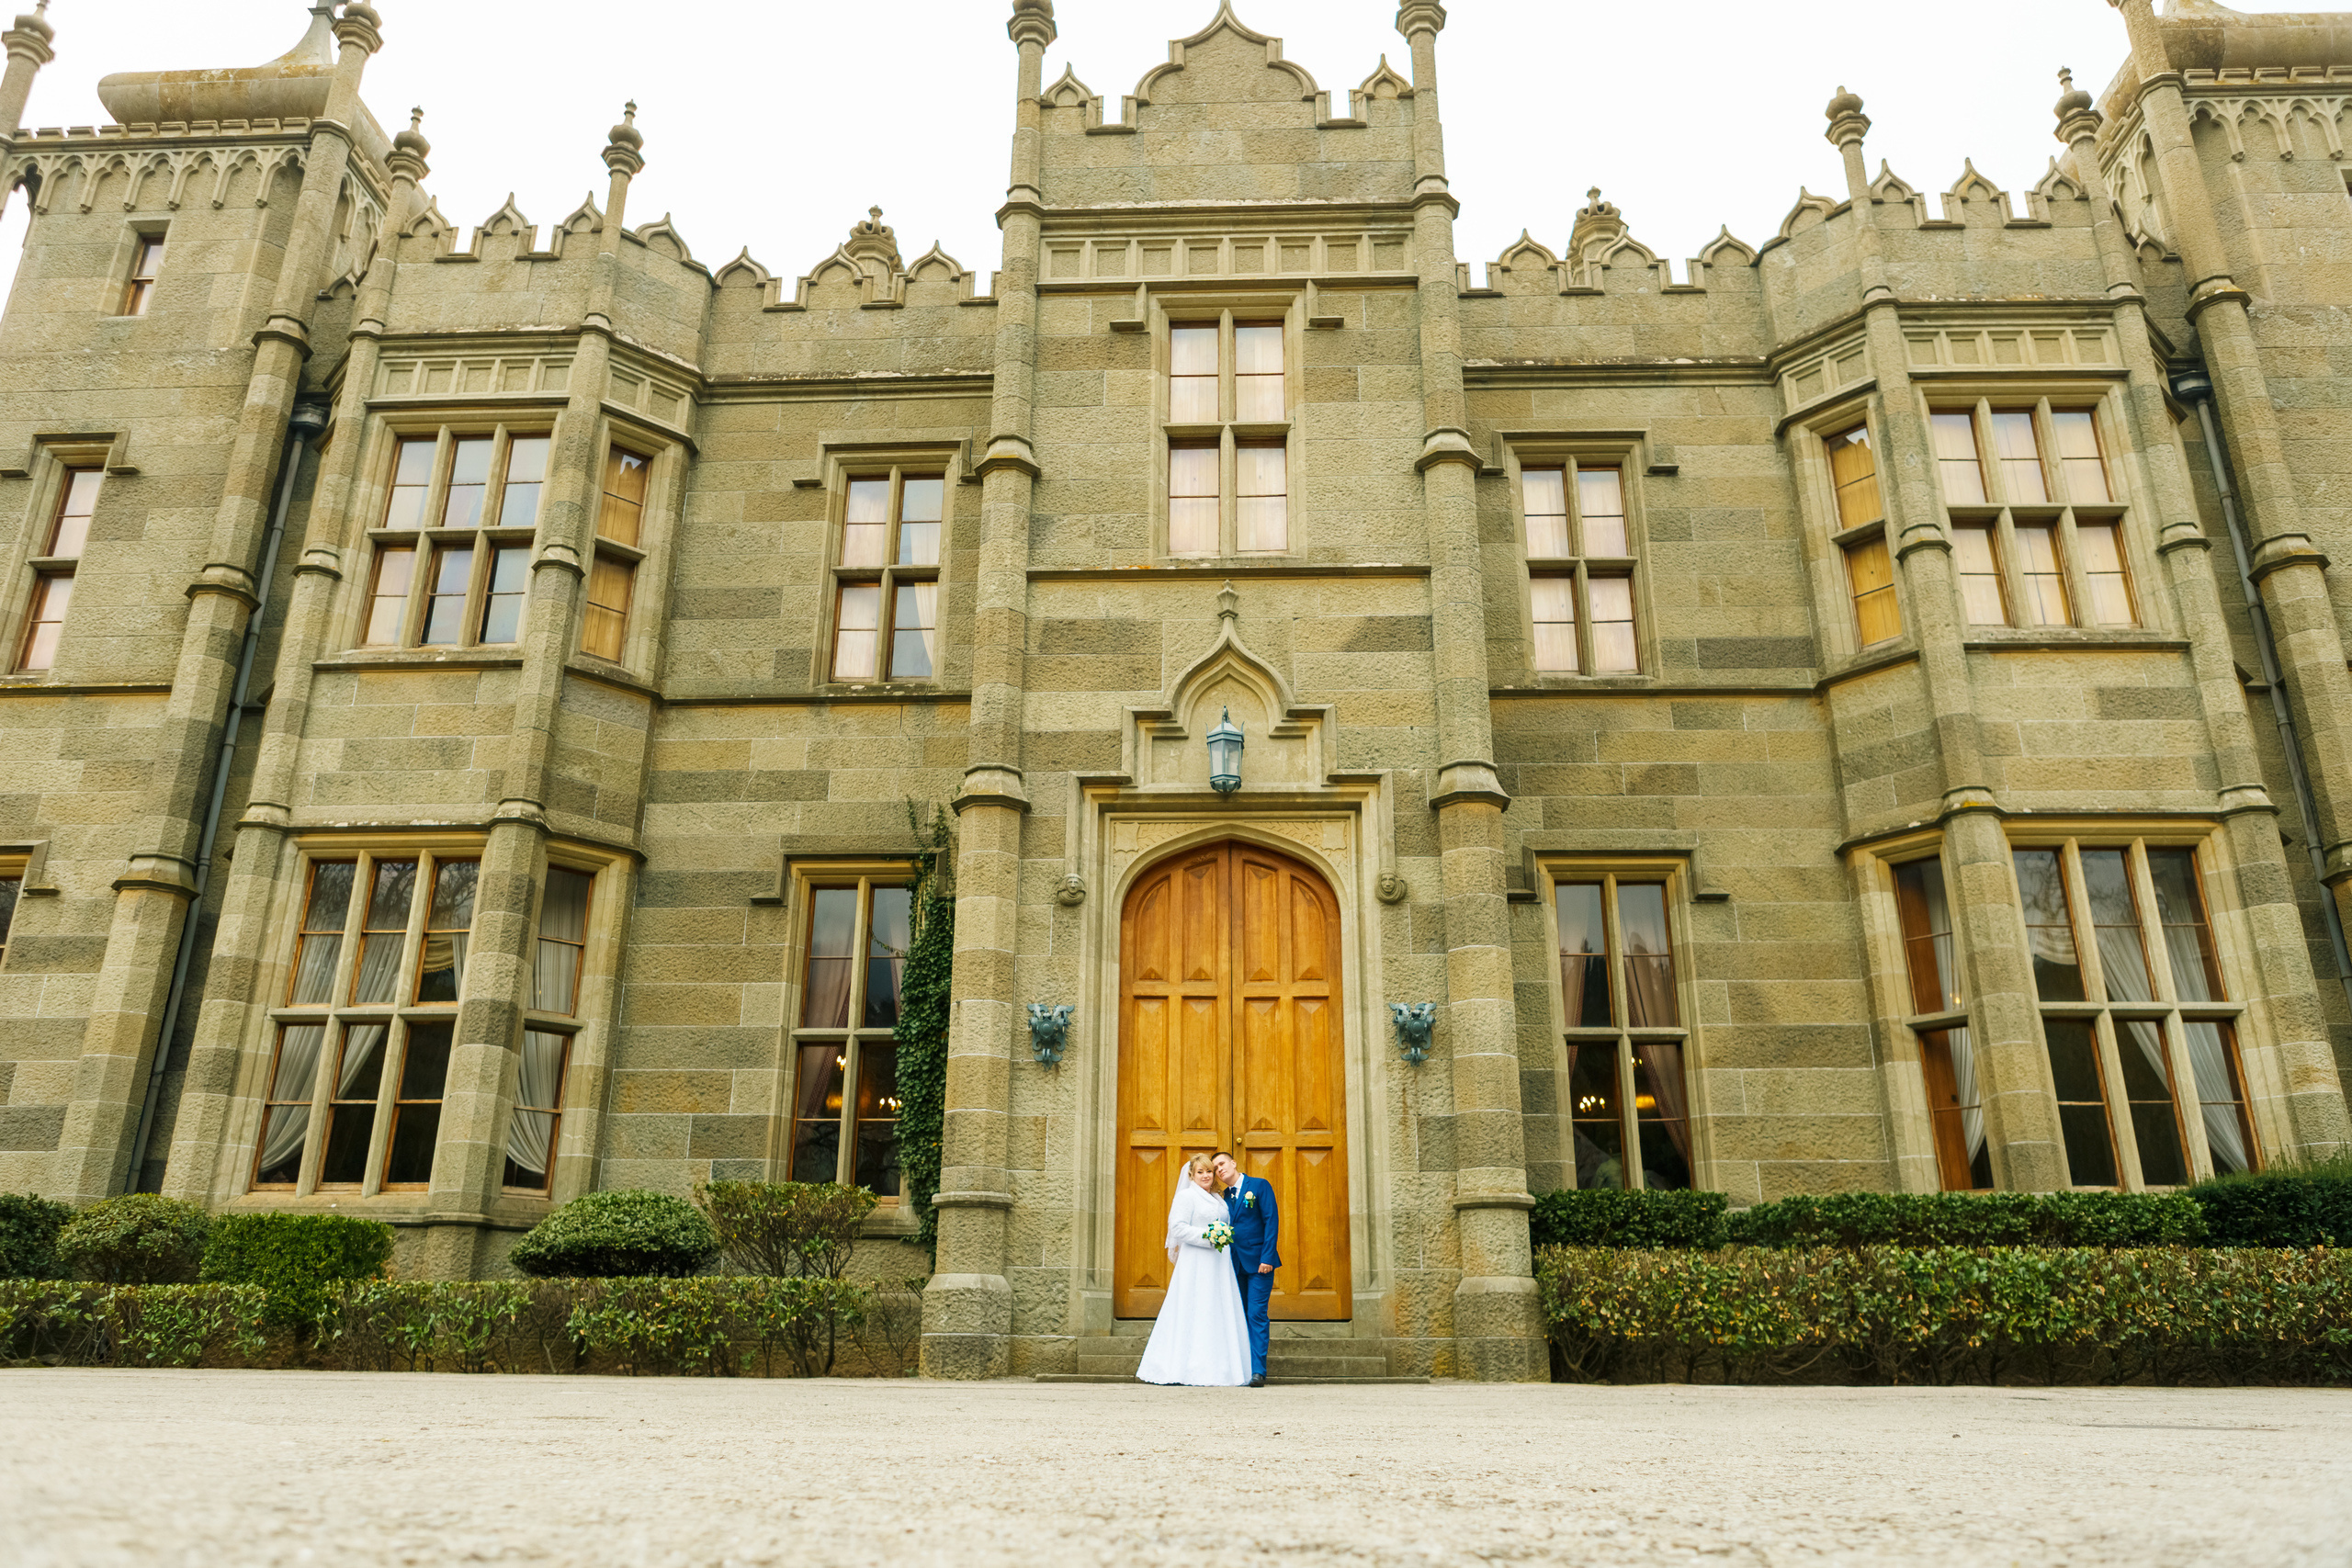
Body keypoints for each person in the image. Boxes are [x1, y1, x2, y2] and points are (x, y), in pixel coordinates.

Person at [1135, 1153, 1251, 1387]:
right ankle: (1189, 1367)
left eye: (1209, 1171)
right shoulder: (1187, 1197)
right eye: (1201, 1172)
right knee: (1195, 1307)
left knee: (1217, 1308)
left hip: (1219, 1264)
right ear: (1191, 1175)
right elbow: (1177, 1228)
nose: (1206, 1175)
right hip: (1196, 1261)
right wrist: (1208, 1236)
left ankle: (1223, 1367)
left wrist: (1222, 1236)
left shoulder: (1218, 1198)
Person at [1211, 1151, 1280, 1388]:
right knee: (1238, 1316)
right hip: (1233, 1265)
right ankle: (1241, 1369)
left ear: (1233, 1163)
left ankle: (1258, 1371)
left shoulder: (1259, 1186)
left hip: (1260, 1264)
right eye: (1215, 1168)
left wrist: (1268, 1256)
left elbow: (1271, 1221)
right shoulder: (1222, 1197)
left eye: (1222, 1163)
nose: (1219, 1169)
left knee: (1256, 1314)